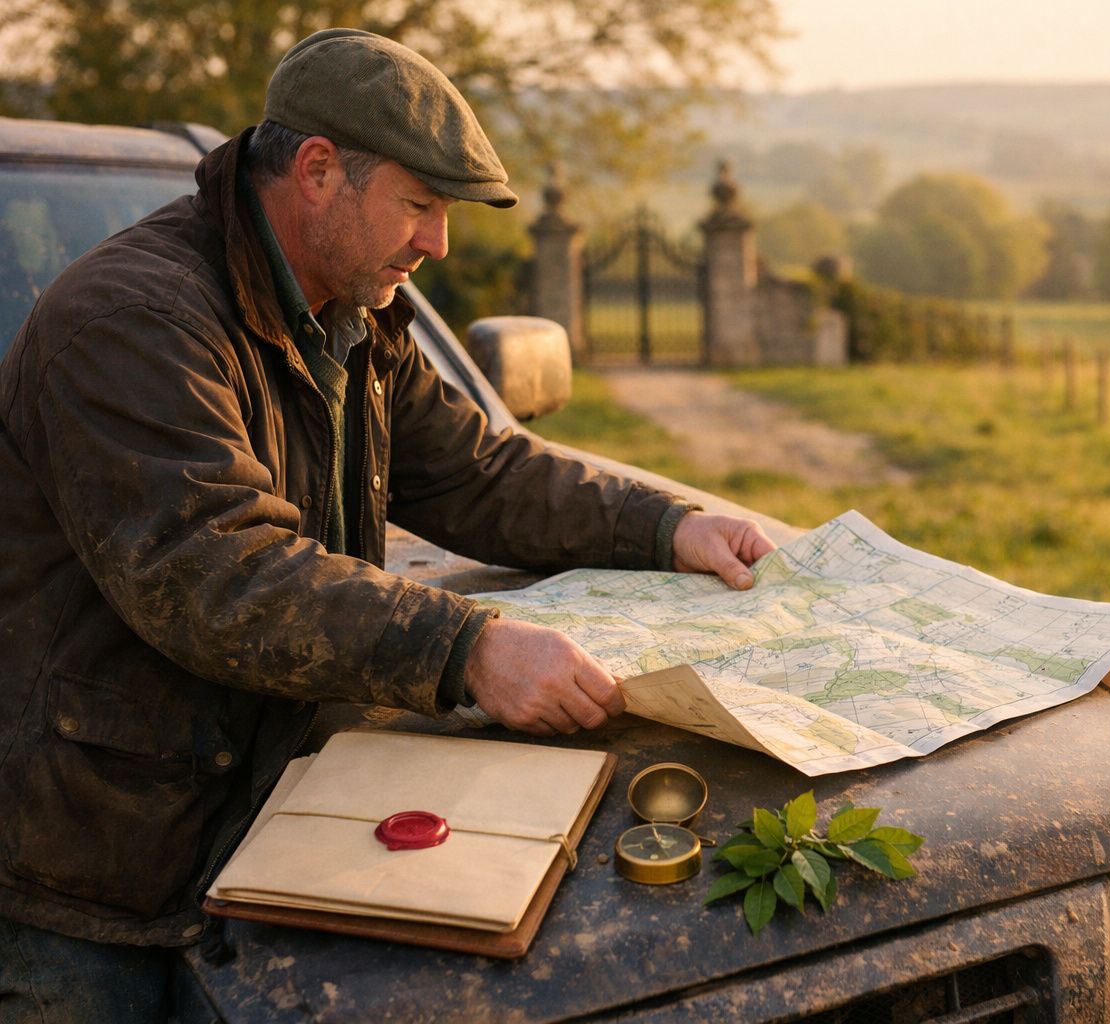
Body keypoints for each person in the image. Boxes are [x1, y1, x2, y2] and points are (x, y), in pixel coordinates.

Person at [0, 27, 774, 1021]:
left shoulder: (348, 315)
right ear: (318, 171)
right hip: (93, 879)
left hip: (277, 822)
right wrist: (470, 648)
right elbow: (218, 572)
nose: (438, 243)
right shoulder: (132, 322)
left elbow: (478, 471)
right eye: (419, 205)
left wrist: (666, 526)